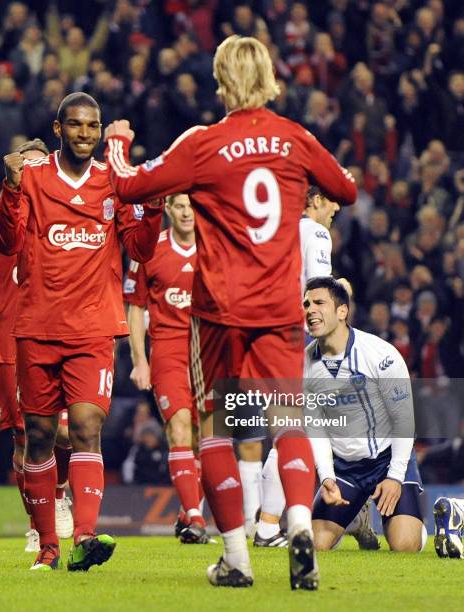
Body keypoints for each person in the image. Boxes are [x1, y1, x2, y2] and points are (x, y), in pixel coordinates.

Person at [104, 35, 357, 589]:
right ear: (269, 77)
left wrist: (118, 142)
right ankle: (296, 526)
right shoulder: (296, 138)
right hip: (276, 307)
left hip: (219, 309)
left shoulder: (203, 143)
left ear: (221, 82)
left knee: (217, 425)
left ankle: (237, 559)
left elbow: (127, 185)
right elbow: (347, 188)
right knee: (289, 418)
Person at [0, 92, 163, 572]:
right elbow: (7, 242)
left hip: (92, 329)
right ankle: (47, 546)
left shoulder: (114, 182)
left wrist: (151, 212)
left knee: (88, 426)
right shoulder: (31, 178)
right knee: (42, 435)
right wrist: (9, 190)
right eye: (75, 125)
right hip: (37, 327)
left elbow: (139, 249)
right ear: (58, 128)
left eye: (92, 126)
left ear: (100, 129)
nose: (85, 133)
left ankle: (85, 537)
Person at [0, 138, 74, 554]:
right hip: (12, 343)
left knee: (67, 431)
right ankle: (39, 524)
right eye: (27, 168)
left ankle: (59, 499)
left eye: (42, 167)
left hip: (61, 336)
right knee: (24, 439)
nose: (34, 175)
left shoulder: (69, 216)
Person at [255, 187, 379, 551]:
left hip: (263, 339)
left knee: (287, 431)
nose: (337, 207)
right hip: (291, 341)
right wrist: (343, 289)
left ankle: (267, 524)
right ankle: (267, 526)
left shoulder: (277, 229)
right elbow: (318, 291)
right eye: (331, 199)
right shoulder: (315, 232)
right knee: (296, 431)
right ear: (314, 200)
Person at [303, 277, 426, 553]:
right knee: (316, 545)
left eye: (319, 303)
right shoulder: (304, 366)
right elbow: (317, 428)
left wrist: (395, 475)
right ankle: (357, 518)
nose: (310, 309)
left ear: (342, 311)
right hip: (345, 468)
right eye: (306, 304)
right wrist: (326, 477)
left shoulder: (381, 354)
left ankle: (444, 516)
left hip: (387, 459)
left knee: (404, 547)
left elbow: (404, 419)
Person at [123, 193, 210, 543]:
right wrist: (139, 360)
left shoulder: (216, 246)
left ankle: (186, 508)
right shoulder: (148, 250)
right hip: (168, 353)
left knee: (207, 440)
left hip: (209, 354)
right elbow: (134, 307)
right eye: (179, 206)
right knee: (178, 430)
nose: (187, 213)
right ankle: (195, 518)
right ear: (169, 210)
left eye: (192, 206)